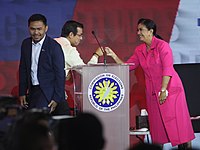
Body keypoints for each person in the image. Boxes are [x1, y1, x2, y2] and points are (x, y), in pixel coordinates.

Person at [105, 18, 195, 148]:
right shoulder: (139, 50)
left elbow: (168, 69)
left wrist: (163, 90)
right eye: (137, 30)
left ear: (150, 31)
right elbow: (128, 66)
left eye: (141, 30)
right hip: (153, 93)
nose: (138, 33)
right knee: (158, 130)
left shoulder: (163, 46)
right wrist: (113, 55)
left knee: (179, 126)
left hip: (170, 90)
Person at [19, 14, 67, 115]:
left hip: (48, 92)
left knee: (39, 121)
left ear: (46, 28)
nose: (36, 32)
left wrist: (56, 98)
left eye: (39, 29)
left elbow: (60, 74)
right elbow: (23, 69)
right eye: (33, 29)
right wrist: (22, 92)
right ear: (28, 28)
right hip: (32, 91)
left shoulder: (54, 47)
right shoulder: (25, 44)